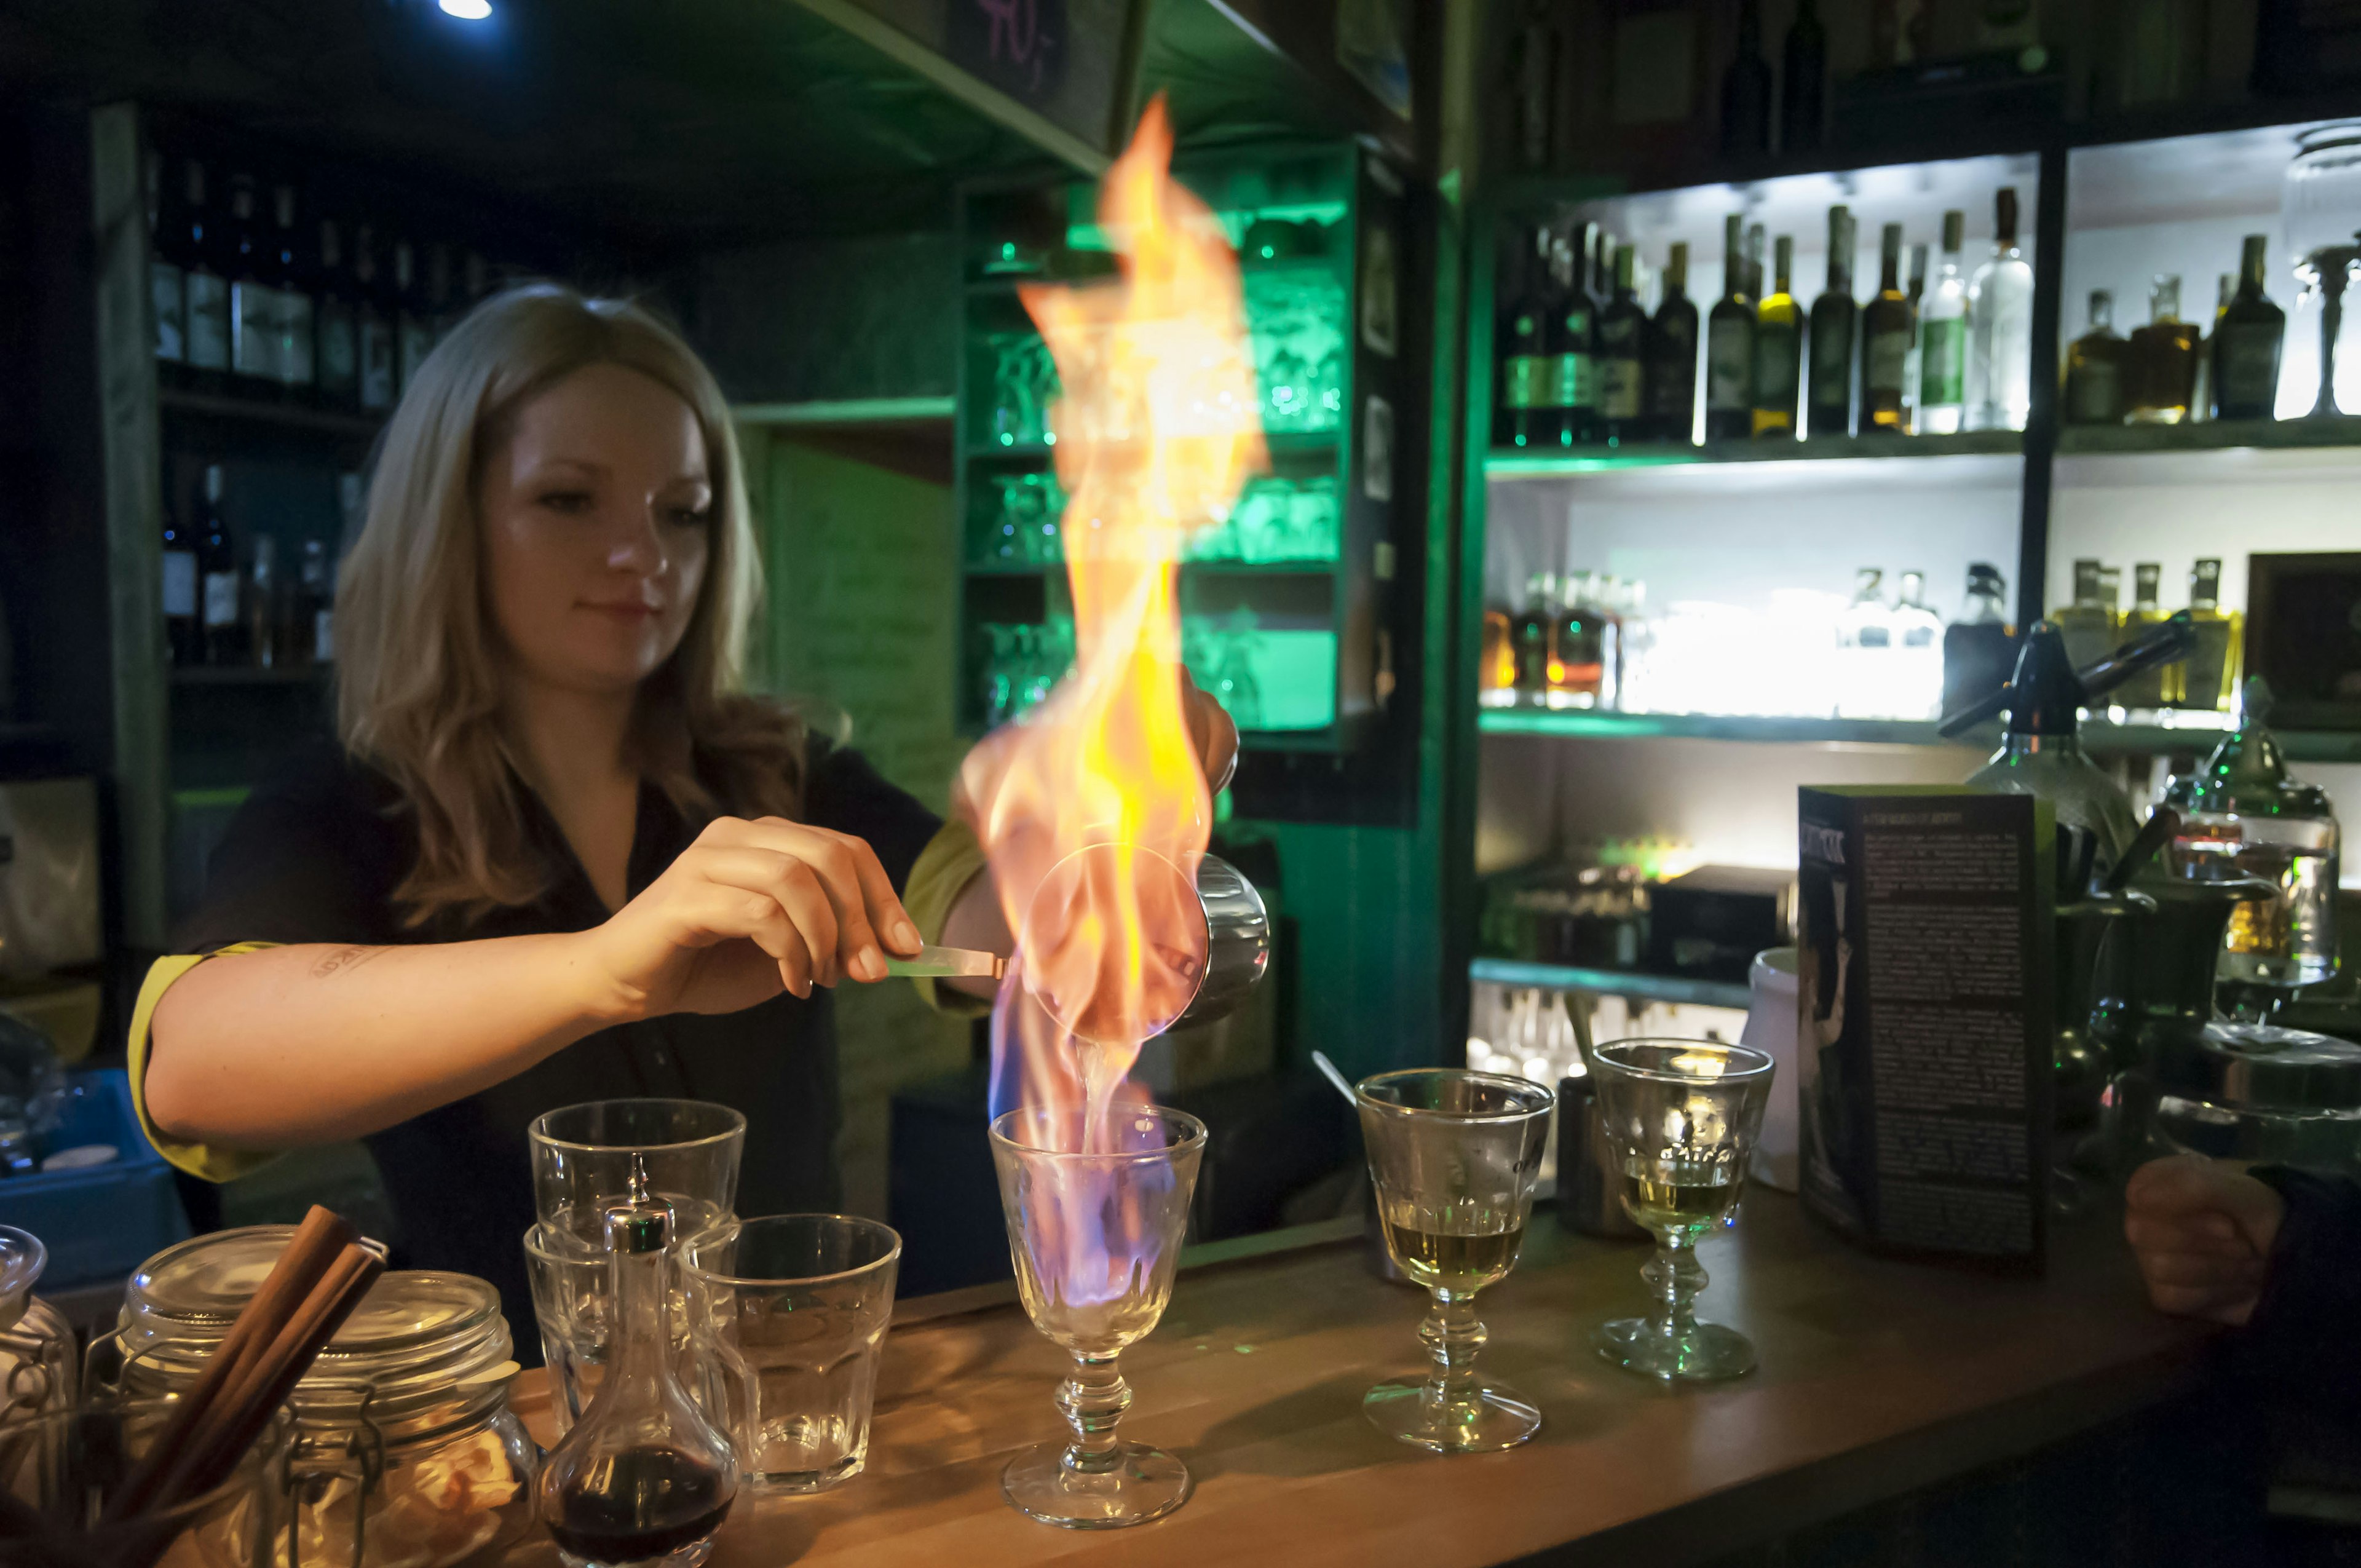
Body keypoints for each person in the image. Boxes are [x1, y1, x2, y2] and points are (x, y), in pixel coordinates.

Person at [132, 285, 1236, 1332]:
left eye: (685, 512)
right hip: (515, 1437)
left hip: (799, 1390)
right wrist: (602, 967)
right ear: (450, 520)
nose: (643, 555)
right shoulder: (355, 800)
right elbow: (188, 1066)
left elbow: (980, 927)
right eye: (569, 499)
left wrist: (1098, 840)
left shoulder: (775, 771)